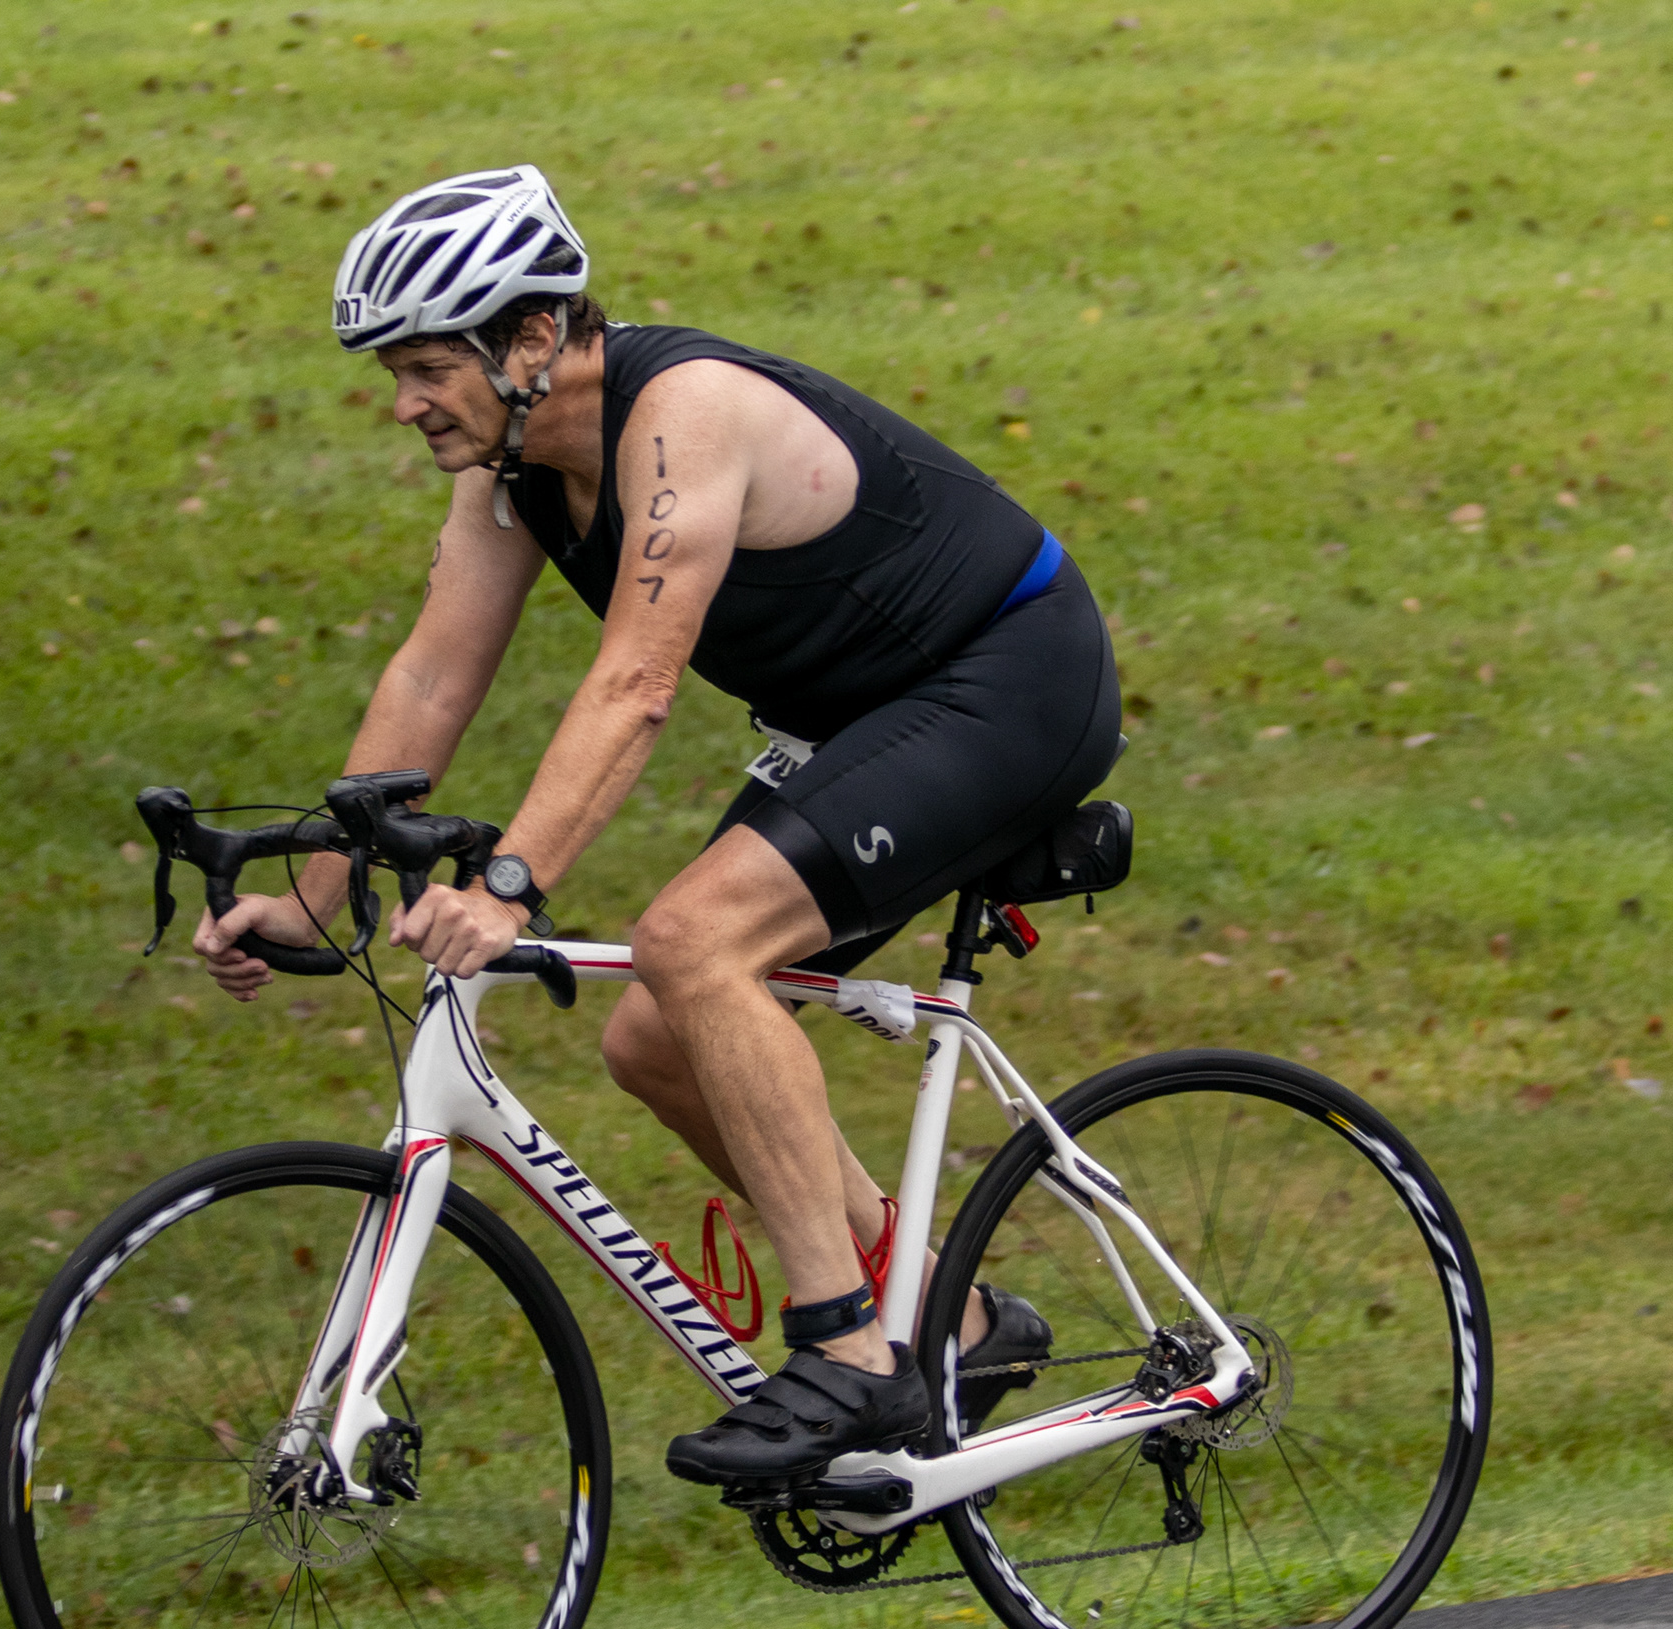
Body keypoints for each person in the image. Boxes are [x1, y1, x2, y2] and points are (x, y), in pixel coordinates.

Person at [195, 166, 1122, 1489]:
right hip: (863, 716)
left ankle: (852, 1354)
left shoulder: (686, 417)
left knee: (694, 944)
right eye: (396, 375)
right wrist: (315, 892)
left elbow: (637, 684)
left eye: (426, 369)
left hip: (1008, 677)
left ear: (531, 338)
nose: (403, 404)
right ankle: (948, 1321)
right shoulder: (515, 470)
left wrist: (509, 888)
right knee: (653, 1037)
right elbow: (433, 676)